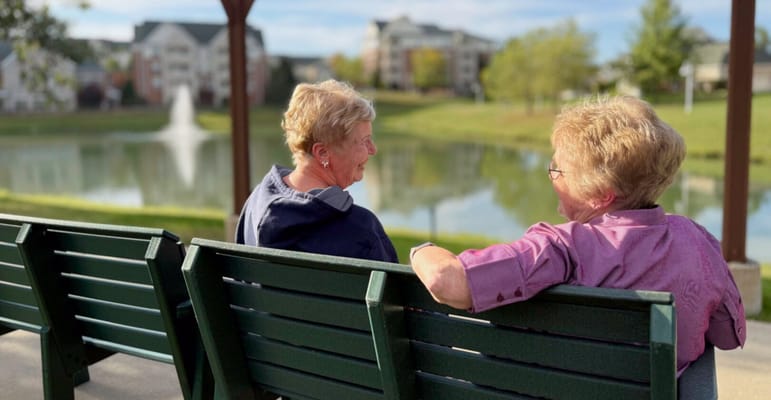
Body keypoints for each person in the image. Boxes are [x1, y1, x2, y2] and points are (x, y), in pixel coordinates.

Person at [409, 95, 746, 377]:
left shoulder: (560, 248)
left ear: (599, 194)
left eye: (557, 169)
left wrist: (422, 250)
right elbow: (727, 335)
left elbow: (445, 280)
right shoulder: (698, 239)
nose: (552, 177)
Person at [235, 79, 398, 263]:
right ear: (322, 153)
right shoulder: (360, 228)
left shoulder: (256, 202)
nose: (373, 150)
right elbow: (393, 291)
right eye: (364, 141)